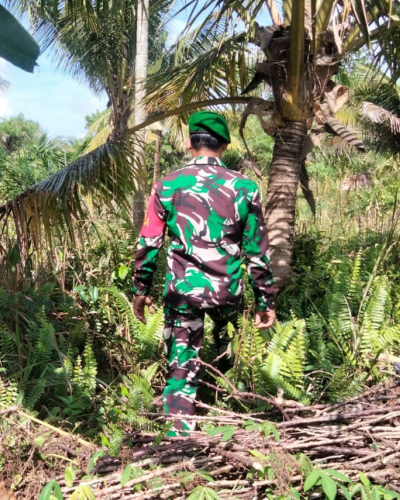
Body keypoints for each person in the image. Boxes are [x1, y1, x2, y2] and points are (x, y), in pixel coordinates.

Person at [132, 111, 276, 436]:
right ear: (225, 144)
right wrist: (265, 299)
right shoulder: (245, 187)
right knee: (231, 345)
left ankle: (180, 438)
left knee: (181, 364)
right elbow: (257, 250)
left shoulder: (167, 186)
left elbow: (149, 242)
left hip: (183, 293)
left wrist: (140, 289)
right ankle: (230, 409)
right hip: (228, 292)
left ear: (188, 143)